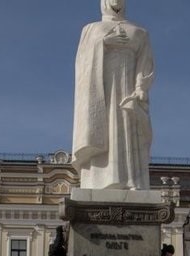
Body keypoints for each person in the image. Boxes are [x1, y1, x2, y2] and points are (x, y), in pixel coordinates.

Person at [72, 0, 155, 190]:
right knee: (103, 128)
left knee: (127, 127)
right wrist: (103, 43)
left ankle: (131, 181)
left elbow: (145, 62)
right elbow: (82, 63)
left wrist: (141, 86)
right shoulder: (91, 29)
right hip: (101, 92)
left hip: (127, 91)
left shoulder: (139, 32)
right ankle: (96, 181)